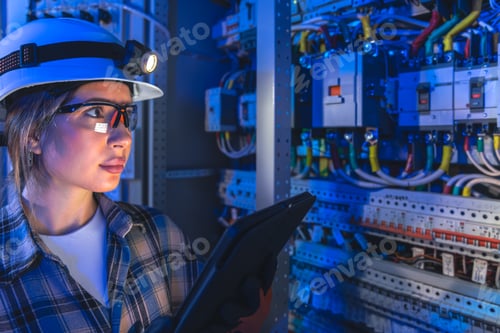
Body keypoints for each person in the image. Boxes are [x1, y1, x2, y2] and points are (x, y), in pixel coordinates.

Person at [0, 17, 272, 332]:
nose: (124, 138)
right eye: (95, 113)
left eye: (126, 116)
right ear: (32, 132)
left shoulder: (159, 236)